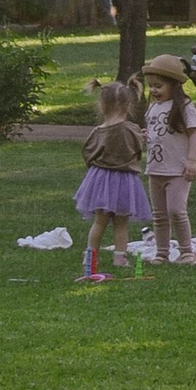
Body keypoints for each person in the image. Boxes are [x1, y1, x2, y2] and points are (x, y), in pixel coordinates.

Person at [74, 77, 148, 287]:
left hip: (102, 180)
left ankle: (90, 257)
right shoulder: (131, 129)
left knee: (100, 221)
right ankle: (120, 257)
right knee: (121, 222)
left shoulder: (98, 132)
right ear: (128, 104)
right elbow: (136, 151)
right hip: (125, 180)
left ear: (102, 104)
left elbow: (88, 153)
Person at [140, 51, 196, 263]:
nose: (153, 90)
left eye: (159, 86)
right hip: (155, 169)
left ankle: (186, 251)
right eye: (151, 86)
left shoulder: (184, 106)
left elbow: (194, 133)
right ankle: (162, 253)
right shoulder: (153, 107)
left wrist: (191, 160)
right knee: (159, 215)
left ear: (174, 85)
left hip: (177, 170)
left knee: (176, 210)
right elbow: (154, 133)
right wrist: (144, 137)